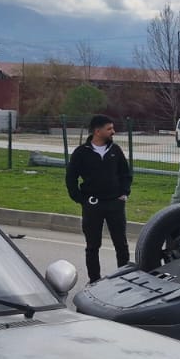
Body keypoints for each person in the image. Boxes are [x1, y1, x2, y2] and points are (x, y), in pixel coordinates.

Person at [66, 114, 133, 282]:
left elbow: (125, 174)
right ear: (97, 131)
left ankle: (123, 278)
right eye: (109, 129)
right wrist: (81, 199)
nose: (113, 131)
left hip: (115, 204)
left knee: (121, 244)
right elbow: (71, 178)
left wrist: (124, 193)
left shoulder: (115, 151)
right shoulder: (81, 153)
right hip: (92, 205)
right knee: (92, 246)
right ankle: (94, 280)